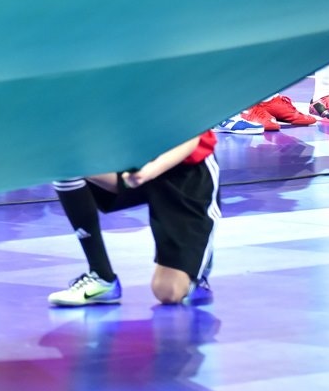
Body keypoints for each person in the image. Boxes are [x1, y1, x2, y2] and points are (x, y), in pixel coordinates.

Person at [46, 128, 219, 308]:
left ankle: (199, 263)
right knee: (65, 166)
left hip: (184, 173)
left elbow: (190, 138)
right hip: (135, 159)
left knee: (168, 292)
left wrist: (148, 173)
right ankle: (102, 278)